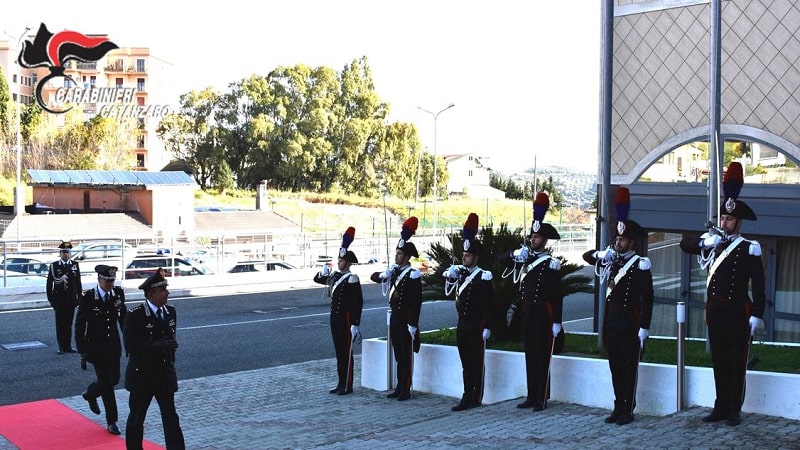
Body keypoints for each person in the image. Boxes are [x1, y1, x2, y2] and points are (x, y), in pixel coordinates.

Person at [679, 162, 766, 427]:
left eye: (729, 219)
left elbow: (759, 285)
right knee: (718, 358)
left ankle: (734, 409)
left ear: (738, 222)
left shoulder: (749, 248)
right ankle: (719, 405)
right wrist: (705, 241)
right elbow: (685, 244)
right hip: (715, 310)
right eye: (723, 218)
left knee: (736, 361)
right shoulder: (713, 243)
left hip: (738, 310)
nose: (724, 223)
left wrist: (757, 315)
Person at [583, 187, 653, 426]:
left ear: (631, 241)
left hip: (630, 323)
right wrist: (604, 253)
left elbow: (648, 297)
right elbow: (587, 256)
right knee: (615, 368)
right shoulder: (611, 260)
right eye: (616, 238)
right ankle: (617, 405)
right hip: (612, 323)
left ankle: (628, 408)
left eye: (622, 239)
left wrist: (645, 326)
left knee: (628, 368)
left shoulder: (640, 264)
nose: (618, 242)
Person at [499, 193, 563, 412]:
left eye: (536, 237)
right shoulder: (523, 257)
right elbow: (501, 260)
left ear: (544, 240)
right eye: (531, 236)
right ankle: (530, 394)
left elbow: (557, 295)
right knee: (529, 354)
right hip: (526, 313)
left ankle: (541, 396)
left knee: (542, 355)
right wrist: (515, 252)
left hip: (542, 314)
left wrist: (557, 321)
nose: (532, 239)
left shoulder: (551, 264)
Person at [436, 213, 494, 411]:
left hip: (476, 324)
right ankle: (466, 394)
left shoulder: (483, 277)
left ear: (475, 258)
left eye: (467, 255)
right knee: (466, 363)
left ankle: (475, 396)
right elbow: (437, 275)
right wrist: (447, 272)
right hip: (462, 324)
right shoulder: (460, 273)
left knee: (476, 362)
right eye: (463, 255)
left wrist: (487, 325)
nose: (464, 257)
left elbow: (489, 304)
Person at [123, 268, 185, 450]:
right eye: (162, 290)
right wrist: (157, 345)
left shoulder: (170, 312)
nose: (167, 293)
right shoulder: (135, 315)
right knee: (136, 419)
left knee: (171, 419)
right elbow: (131, 346)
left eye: (166, 289)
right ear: (151, 294)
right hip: (142, 376)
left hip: (164, 375)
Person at [370, 217, 423, 401]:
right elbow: (374, 277)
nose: (396, 256)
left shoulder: (413, 274)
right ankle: (399, 386)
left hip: (406, 318)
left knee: (406, 354)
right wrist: (384, 273)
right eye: (396, 253)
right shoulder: (394, 272)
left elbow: (417, 302)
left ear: (407, 257)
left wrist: (413, 323)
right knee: (398, 354)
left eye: (400, 254)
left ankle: (406, 388)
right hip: (395, 317)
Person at [75, 265, 127, 435]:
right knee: (107, 385)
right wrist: (82, 349)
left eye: (112, 280)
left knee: (114, 379)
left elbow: (123, 319)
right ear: (99, 279)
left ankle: (90, 393)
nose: (110, 284)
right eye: (107, 280)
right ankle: (112, 421)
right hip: (96, 348)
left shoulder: (118, 293)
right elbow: (80, 324)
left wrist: (130, 341)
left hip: (113, 345)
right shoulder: (89, 297)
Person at [313, 226, 364, 395]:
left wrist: (355, 324)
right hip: (334, 317)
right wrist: (323, 271)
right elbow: (318, 280)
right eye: (338, 260)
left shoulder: (352, 278)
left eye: (341, 261)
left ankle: (348, 385)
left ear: (348, 263)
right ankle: (340, 382)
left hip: (346, 318)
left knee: (346, 352)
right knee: (338, 352)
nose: (339, 263)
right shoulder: (335, 275)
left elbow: (358, 303)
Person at [46, 240, 82, 354]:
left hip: (71, 300)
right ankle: (61, 346)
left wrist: (79, 299)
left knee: (69, 324)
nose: (66, 254)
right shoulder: (54, 266)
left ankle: (68, 346)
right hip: (59, 301)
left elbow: (78, 283)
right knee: (60, 325)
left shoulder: (75, 265)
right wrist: (52, 301)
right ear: (60, 253)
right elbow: (49, 285)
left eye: (68, 252)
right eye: (64, 252)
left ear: (70, 253)